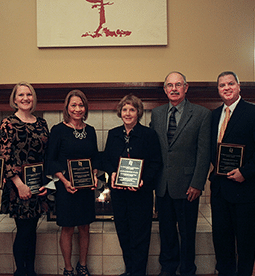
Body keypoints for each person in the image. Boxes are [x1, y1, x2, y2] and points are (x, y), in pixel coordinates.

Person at [150, 71, 211, 276]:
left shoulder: (202, 114)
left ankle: (187, 270)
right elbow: (154, 151)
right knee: (166, 232)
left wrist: (197, 184)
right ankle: (167, 268)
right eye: (169, 85)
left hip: (188, 186)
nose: (174, 89)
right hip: (162, 186)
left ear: (186, 87)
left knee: (187, 233)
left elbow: (204, 153)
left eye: (178, 85)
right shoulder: (157, 114)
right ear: (165, 89)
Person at [103, 94, 162, 276]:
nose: (128, 113)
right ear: (120, 112)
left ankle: (138, 272)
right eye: (125, 109)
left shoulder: (149, 135)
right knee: (124, 233)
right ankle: (129, 270)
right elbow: (106, 160)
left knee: (140, 237)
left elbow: (155, 163)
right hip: (119, 195)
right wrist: (112, 173)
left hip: (140, 194)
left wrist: (144, 181)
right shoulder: (113, 134)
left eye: (132, 109)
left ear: (138, 113)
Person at [45, 89, 99, 276]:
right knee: (67, 228)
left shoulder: (90, 131)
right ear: (67, 108)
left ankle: (82, 265)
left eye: (81, 105)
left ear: (86, 108)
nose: (77, 109)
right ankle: (68, 268)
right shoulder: (58, 130)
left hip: (84, 188)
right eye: (73, 105)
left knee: (85, 227)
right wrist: (64, 181)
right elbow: (51, 160)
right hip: (66, 188)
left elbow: (94, 158)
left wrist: (93, 175)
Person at [0, 82, 49, 276]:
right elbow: (6, 156)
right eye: (21, 95)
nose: (25, 98)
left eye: (29, 94)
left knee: (31, 230)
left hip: (37, 185)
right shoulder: (7, 123)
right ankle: (21, 272)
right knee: (24, 231)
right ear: (14, 99)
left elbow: (46, 155)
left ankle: (31, 271)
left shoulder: (41, 123)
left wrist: (46, 183)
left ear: (33, 98)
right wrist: (20, 185)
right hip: (18, 187)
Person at [209, 71, 255, 276]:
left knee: (245, 240)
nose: (226, 88)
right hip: (220, 188)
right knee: (221, 239)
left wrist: (245, 172)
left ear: (239, 86)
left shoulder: (252, 112)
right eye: (222, 85)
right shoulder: (213, 115)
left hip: (244, 188)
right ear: (218, 90)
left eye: (230, 84)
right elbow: (211, 149)